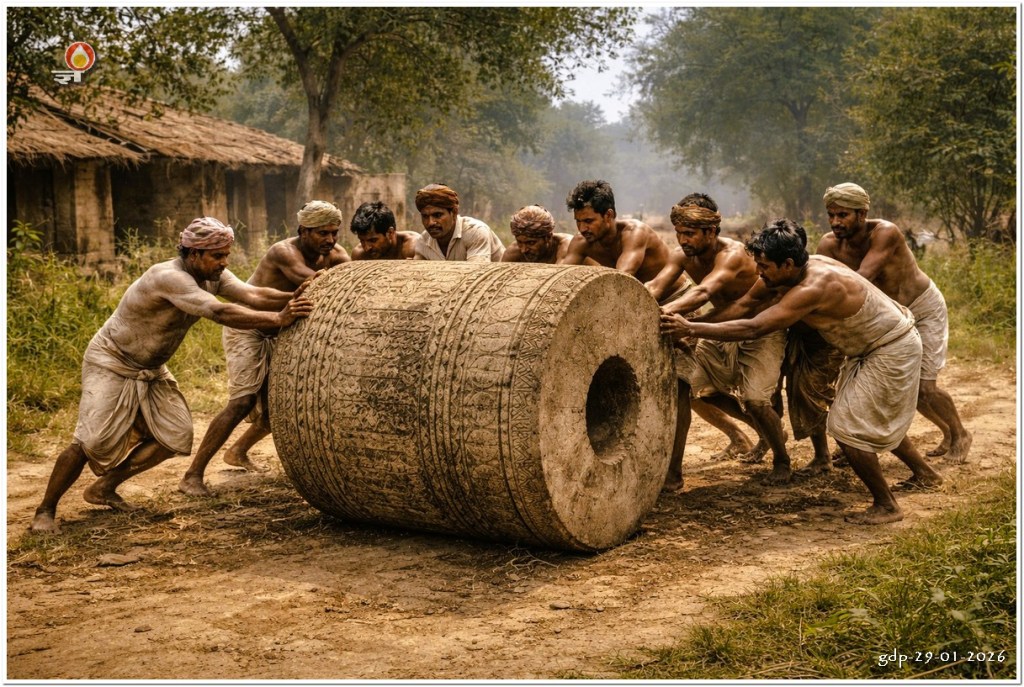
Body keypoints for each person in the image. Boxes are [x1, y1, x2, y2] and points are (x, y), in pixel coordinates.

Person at [30, 218, 314, 533]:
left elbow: (253, 295)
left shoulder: (212, 274)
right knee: (89, 441)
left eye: (226, 254)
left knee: (174, 436)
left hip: (151, 368)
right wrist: (279, 318)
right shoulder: (169, 277)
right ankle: (45, 511)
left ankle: (103, 488)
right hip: (112, 361)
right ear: (193, 254)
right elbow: (219, 312)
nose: (225, 262)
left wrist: (301, 295)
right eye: (217, 256)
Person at [661, 218, 944, 525]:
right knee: (862, 416)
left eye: (765, 267)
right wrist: (694, 327)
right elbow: (745, 306)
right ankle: (925, 473)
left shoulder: (813, 286)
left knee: (847, 427)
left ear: (788, 264)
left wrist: (693, 327)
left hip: (891, 347)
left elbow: (756, 326)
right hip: (870, 348)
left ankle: (887, 504)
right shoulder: (791, 272)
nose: (759, 273)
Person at [178, 201, 349, 497]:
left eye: (334, 233)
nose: (330, 240)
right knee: (241, 402)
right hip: (248, 328)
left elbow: (353, 279)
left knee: (281, 405)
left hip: (281, 330)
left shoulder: (335, 254)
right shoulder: (284, 252)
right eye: (322, 233)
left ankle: (238, 452)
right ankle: (192, 475)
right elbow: (311, 284)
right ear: (303, 231)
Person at [817, 183, 971, 464]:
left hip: (921, 309)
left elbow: (862, 279)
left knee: (925, 389)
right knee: (863, 386)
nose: (836, 222)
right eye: (831, 215)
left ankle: (959, 434)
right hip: (887, 320)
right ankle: (857, 441)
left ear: (862, 214)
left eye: (843, 215)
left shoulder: (885, 232)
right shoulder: (829, 244)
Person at [648, 197, 789, 489]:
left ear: (711, 232)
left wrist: (674, 317)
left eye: (690, 233)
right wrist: (631, 302)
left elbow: (703, 292)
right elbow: (655, 286)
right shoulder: (682, 255)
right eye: (679, 232)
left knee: (755, 400)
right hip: (717, 328)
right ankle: (761, 430)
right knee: (696, 389)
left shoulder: (733, 254)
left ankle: (782, 459)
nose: (683, 240)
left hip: (757, 330)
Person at [414, 183, 504, 262]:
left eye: (437, 215)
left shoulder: (475, 232)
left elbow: (476, 275)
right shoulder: (423, 241)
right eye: (425, 216)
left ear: (454, 212)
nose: (430, 223)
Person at [500, 205, 578, 264]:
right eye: (519, 242)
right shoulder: (513, 252)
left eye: (531, 243)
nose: (523, 250)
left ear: (548, 237)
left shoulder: (567, 246)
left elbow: (561, 279)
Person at [350, 201, 421, 260]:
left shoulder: (413, 248)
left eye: (373, 240)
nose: (367, 248)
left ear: (390, 233)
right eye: (362, 241)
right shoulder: (359, 255)